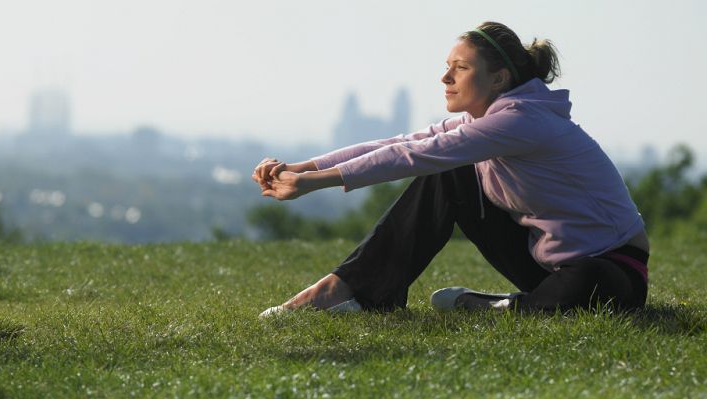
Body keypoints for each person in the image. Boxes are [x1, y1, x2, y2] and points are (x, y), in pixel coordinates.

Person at [252, 21, 650, 316]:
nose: (445, 77)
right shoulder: (486, 120)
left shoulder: (522, 120)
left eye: (459, 68)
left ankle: (495, 307)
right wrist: (302, 168)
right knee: (450, 172)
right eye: (447, 66)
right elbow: (403, 144)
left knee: (587, 287)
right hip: (546, 264)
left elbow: (414, 156)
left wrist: (310, 184)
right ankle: (359, 292)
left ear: (499, 78)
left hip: (612, 269)